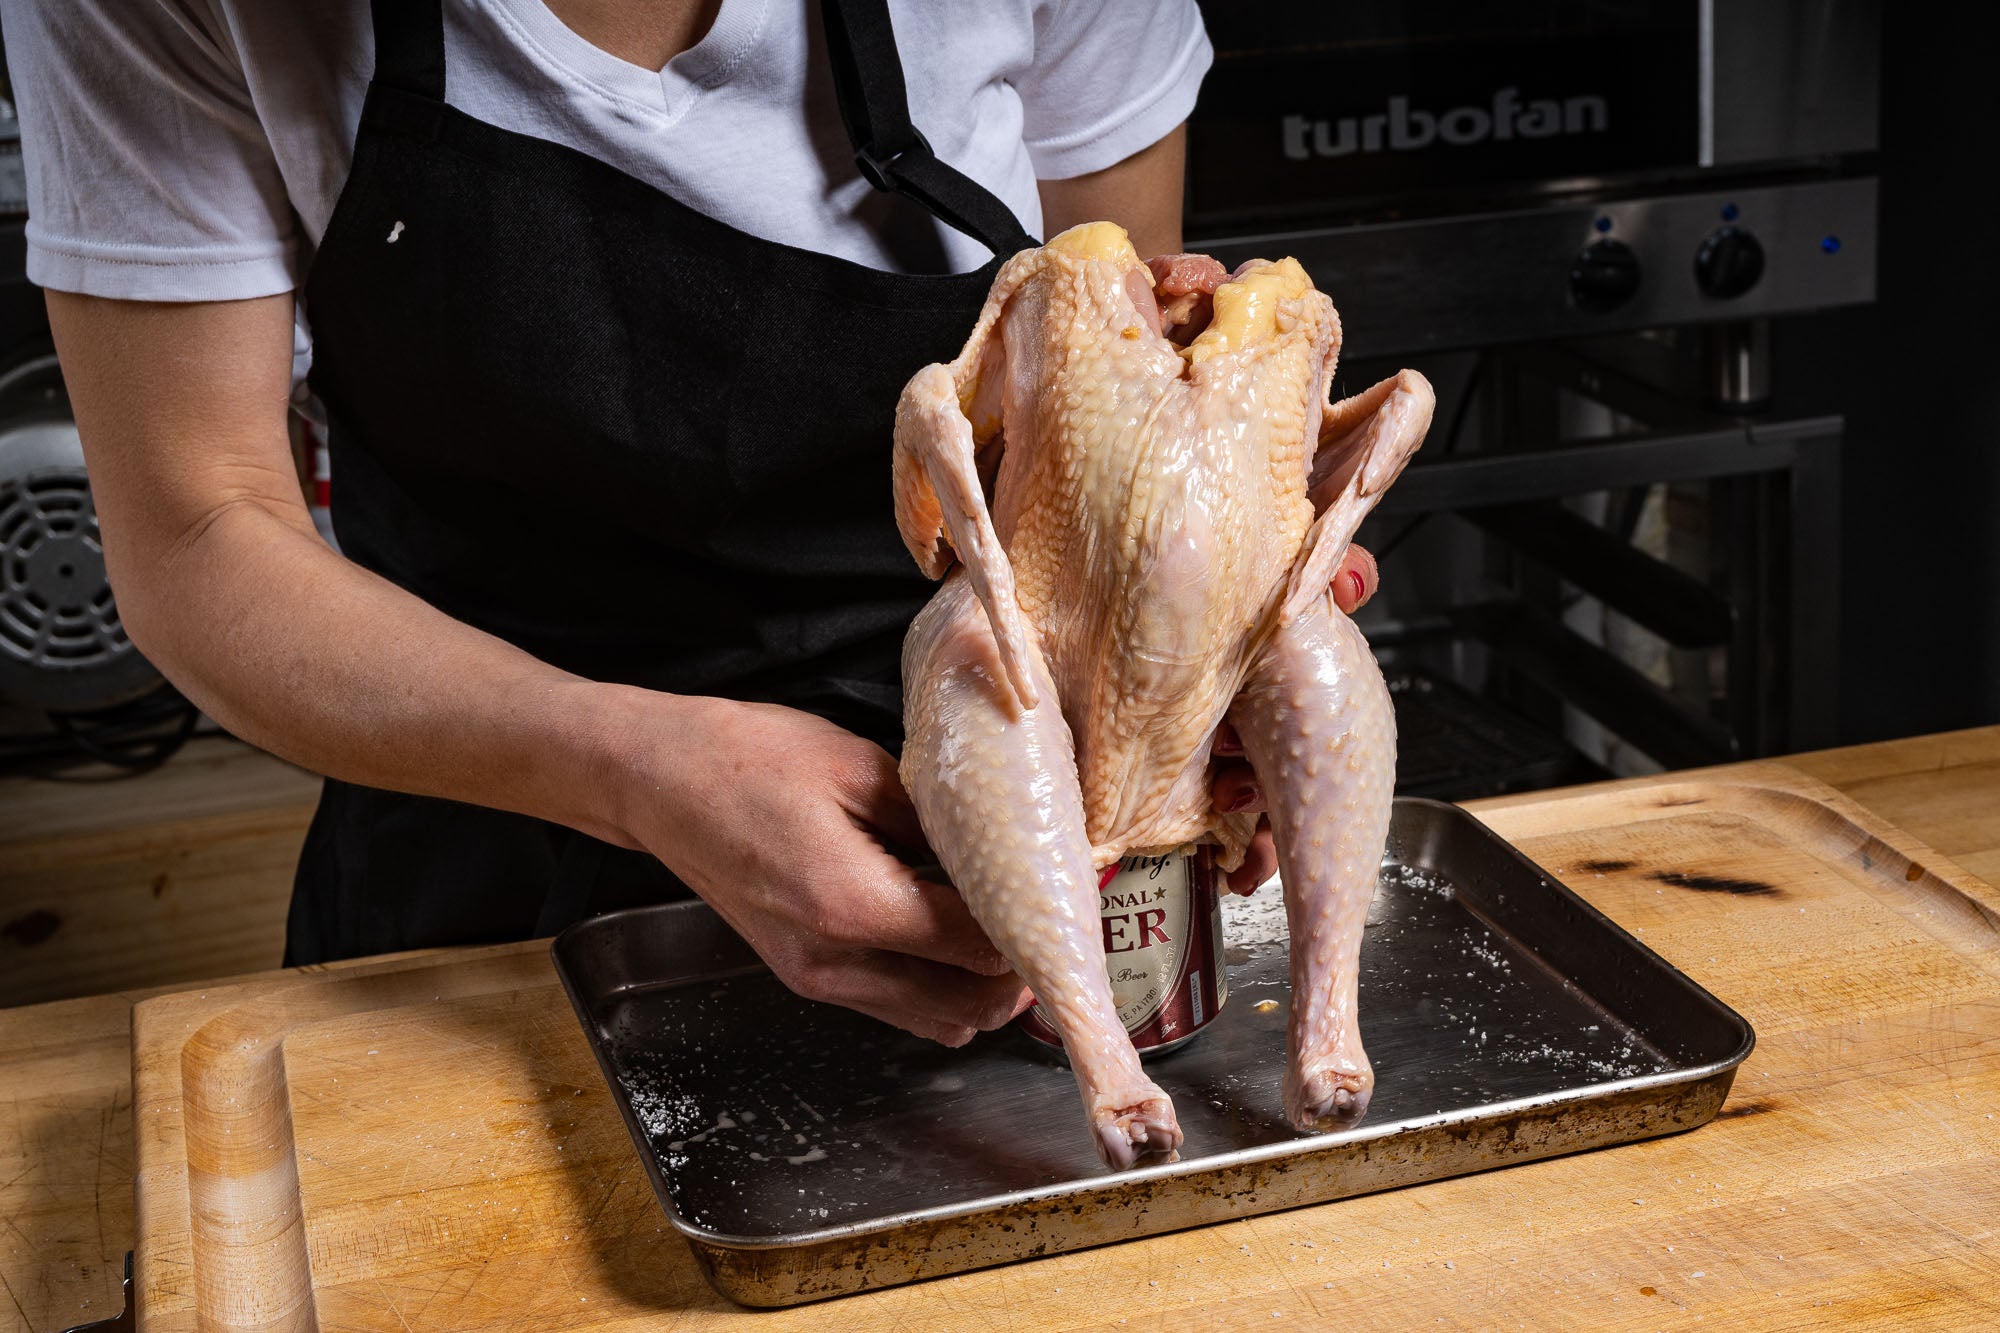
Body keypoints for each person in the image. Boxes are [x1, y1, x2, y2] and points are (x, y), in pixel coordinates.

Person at [1, 0, 1378, 1047]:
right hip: (478, 867)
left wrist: (1196, 656)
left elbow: (1112, 387)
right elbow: (196, 532)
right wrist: (640, 766)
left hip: (992, 838)